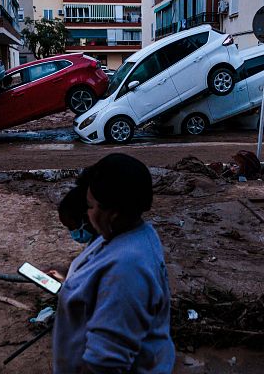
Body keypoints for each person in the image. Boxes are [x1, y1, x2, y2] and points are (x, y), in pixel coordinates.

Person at [52, 153, 175, 373]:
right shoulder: (128, 233)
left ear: (113, 214)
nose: (88, 214)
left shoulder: (127, 270)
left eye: (90, 207)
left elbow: (104, 364)